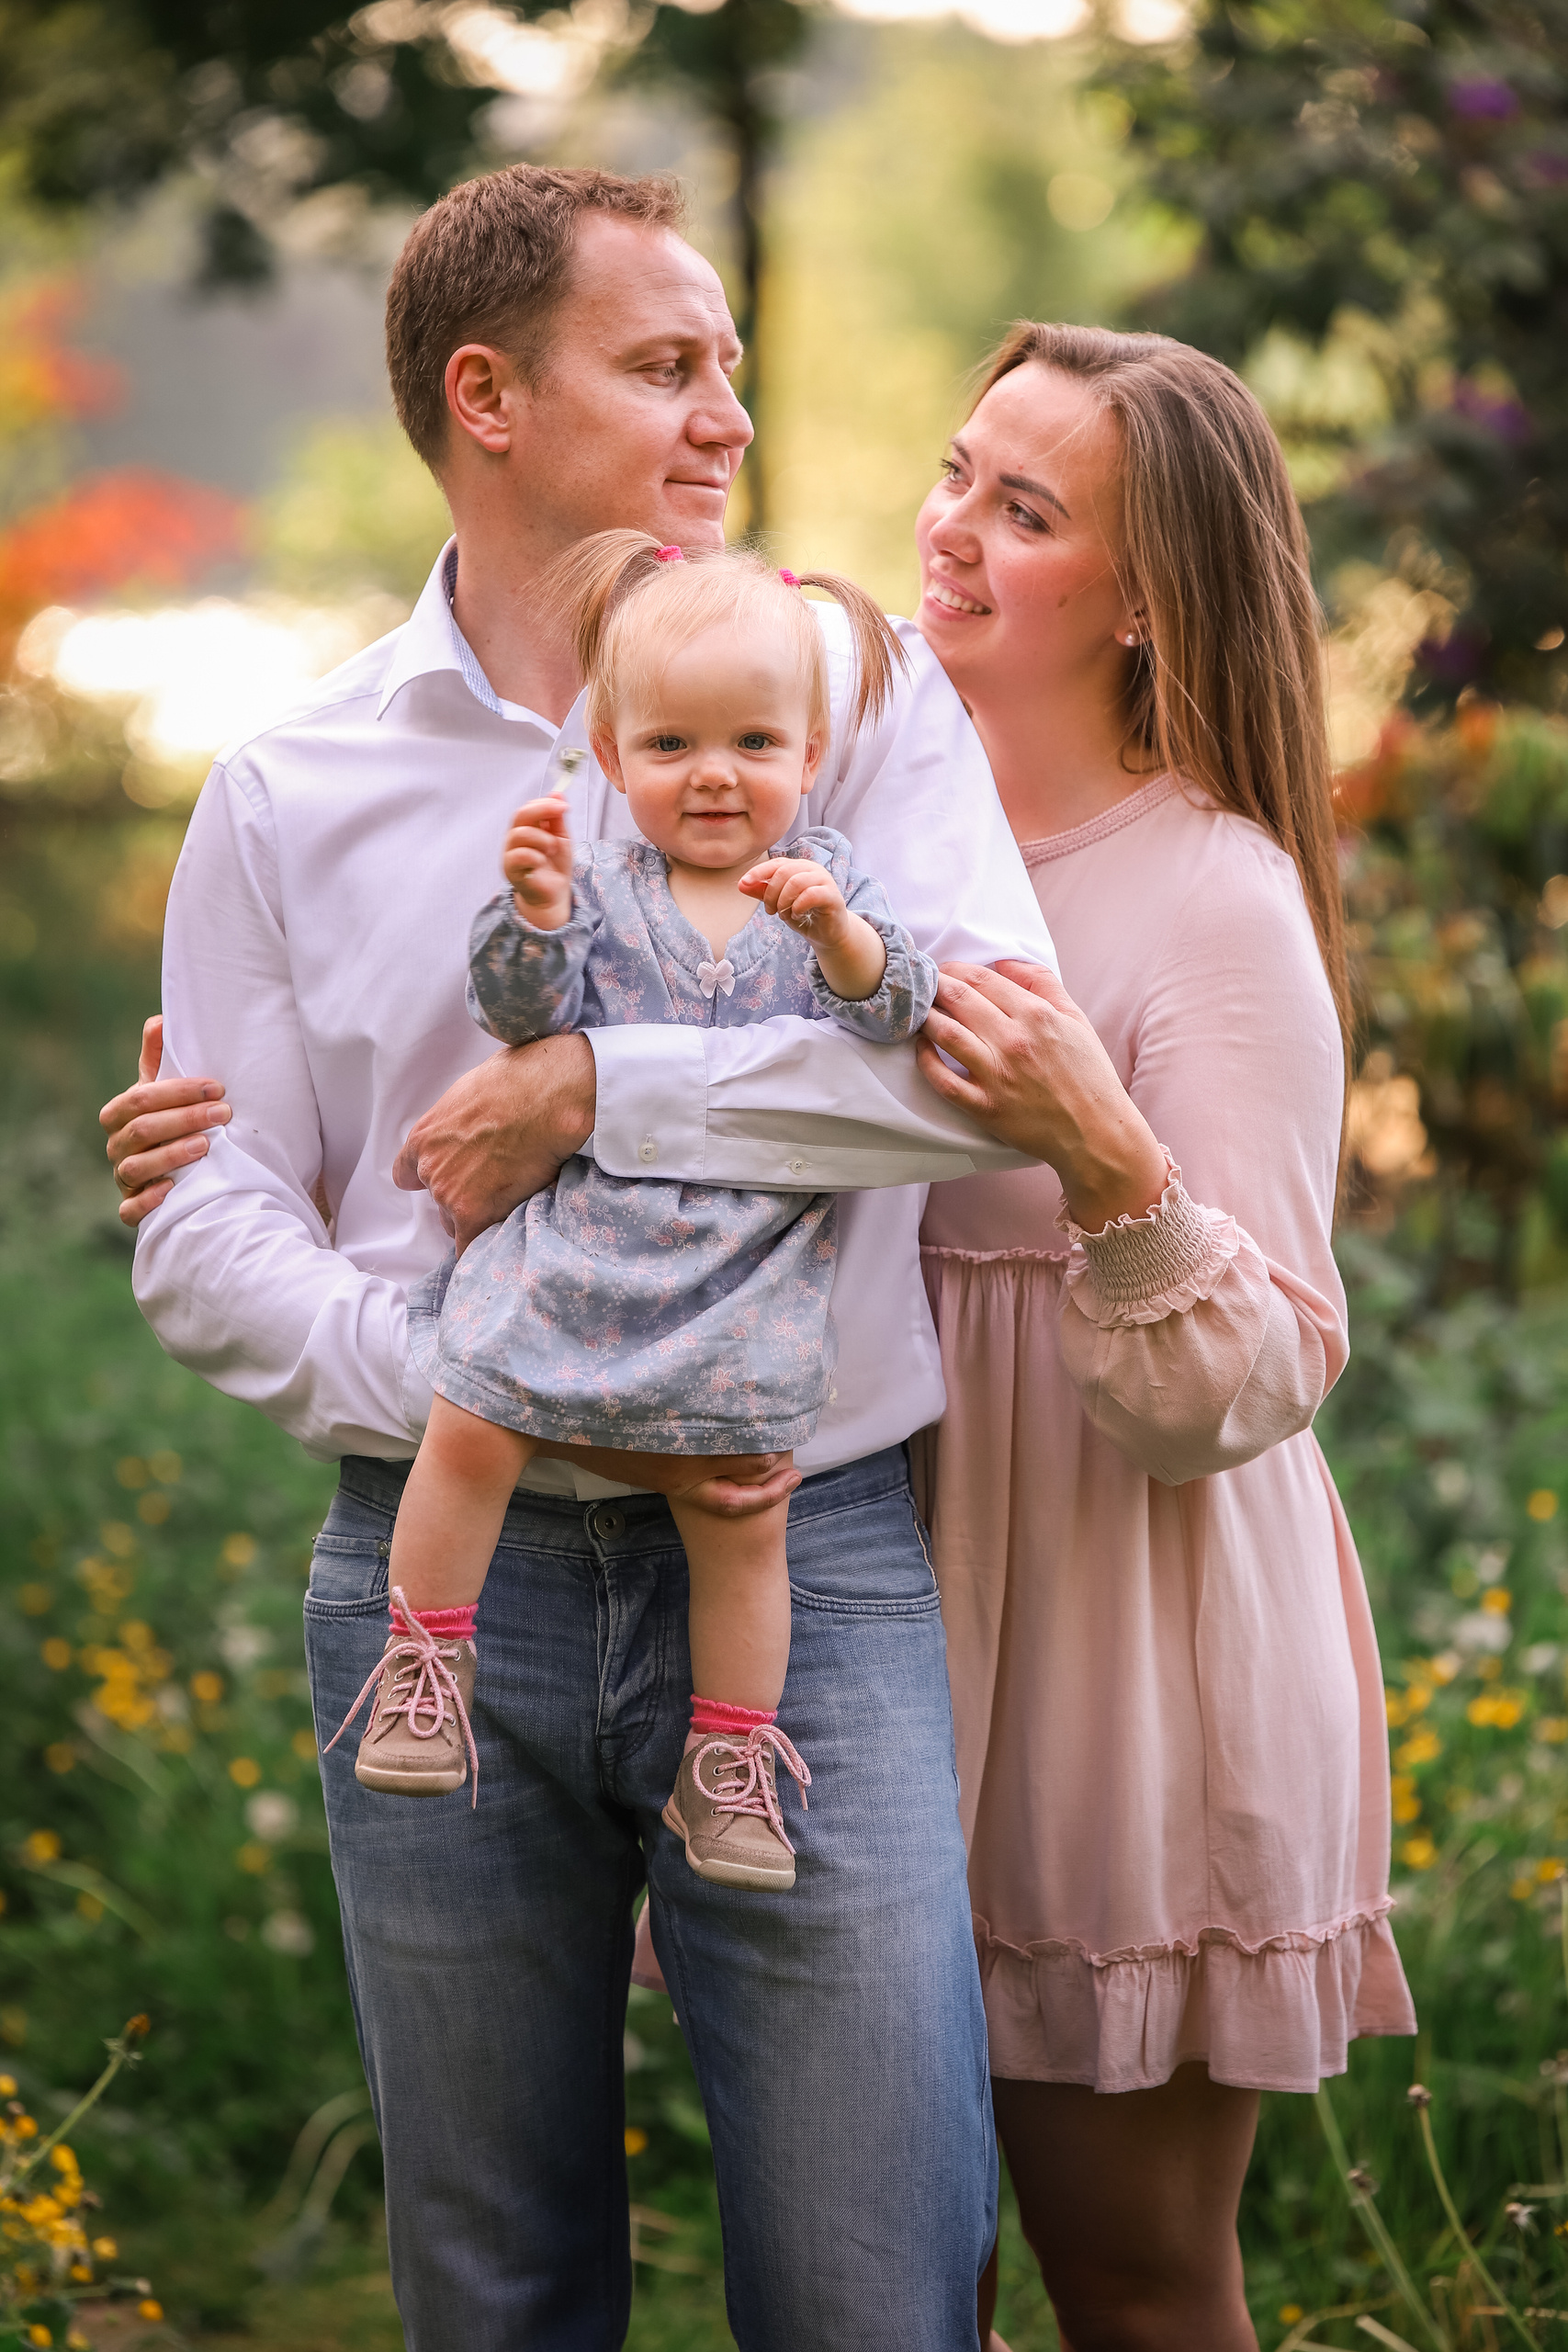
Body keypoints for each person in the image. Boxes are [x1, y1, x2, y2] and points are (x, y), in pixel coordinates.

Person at [105, 161, 1057, 2351]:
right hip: (440, 1570)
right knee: (496, 2282)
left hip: (799, 1549)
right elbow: (209, 1211)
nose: (727, 412)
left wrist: (601, 1092)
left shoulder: (857, 702)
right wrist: (466, 1372)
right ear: (486, 396)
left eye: (727, 362)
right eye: (664, 365)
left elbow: (979, 1064)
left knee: (871, 2284)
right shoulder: (286, 782)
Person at [904, 324, 1416, 2352]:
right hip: (883, 1624)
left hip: (1126, 1652)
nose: (946, 531)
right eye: (957, 472)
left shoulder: (1210, 896)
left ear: (1138, 602)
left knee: (1126, 2280)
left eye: (1020, 512)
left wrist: (1094, 1143)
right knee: (885, 2268)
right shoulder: (885, 841)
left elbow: (1260, 1370)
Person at [340, 530, 939, 1907]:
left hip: (742, 1281)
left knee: (743, 1508)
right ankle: (424, 1660)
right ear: (610, 756)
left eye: (752, 742)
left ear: (808, 751)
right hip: (589, 1252)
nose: (714, 776)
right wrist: (536, 917)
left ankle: (731, 1756)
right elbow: (520, 1019)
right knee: (472, 1414)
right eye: (671, 744)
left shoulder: (825, 882)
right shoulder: (606, 893)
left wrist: (837, 930)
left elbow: (896, 1011)